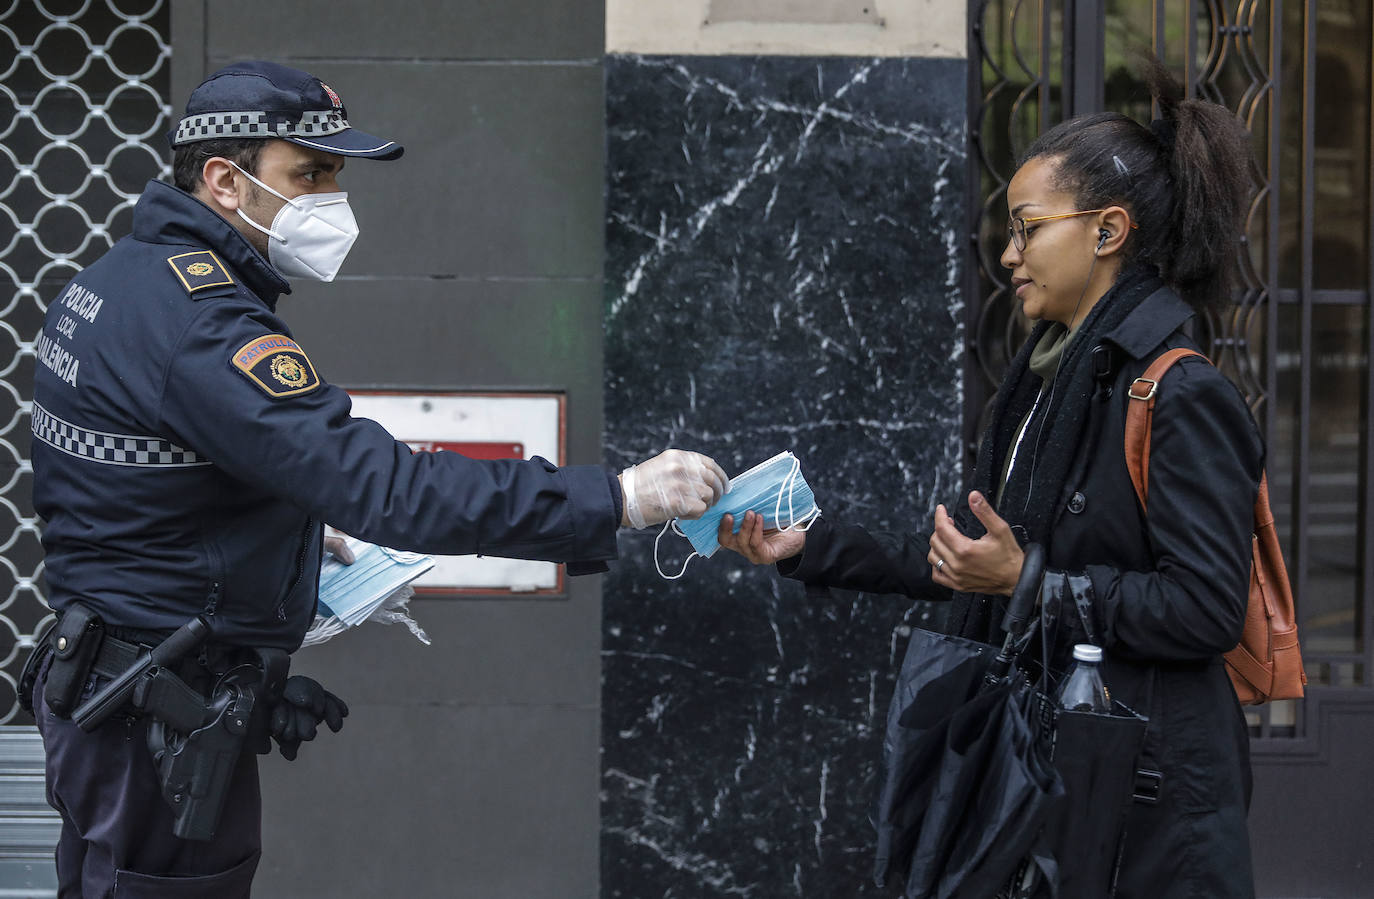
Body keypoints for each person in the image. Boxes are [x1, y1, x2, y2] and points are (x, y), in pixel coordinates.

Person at [25, 60, 727, 897]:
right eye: (310, 174)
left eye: (335, 176)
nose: (331, 198)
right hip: (149, 717)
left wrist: (270, 566)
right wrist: (614, 498)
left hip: (118, 694)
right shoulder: (203, 322)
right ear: (223, 179)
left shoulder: (115, 283)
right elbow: (386, 488)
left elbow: (139, 496)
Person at [719, 59, 1261, 899]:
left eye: (1028, 228)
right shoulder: (1049, 383)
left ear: (1108, 231)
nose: (1009, 254)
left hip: (1147, 810)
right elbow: (973, 557)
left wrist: (1030, 583)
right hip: (1057, 776)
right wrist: (813, 545)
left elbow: (1206, 609)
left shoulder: (1180, 391)